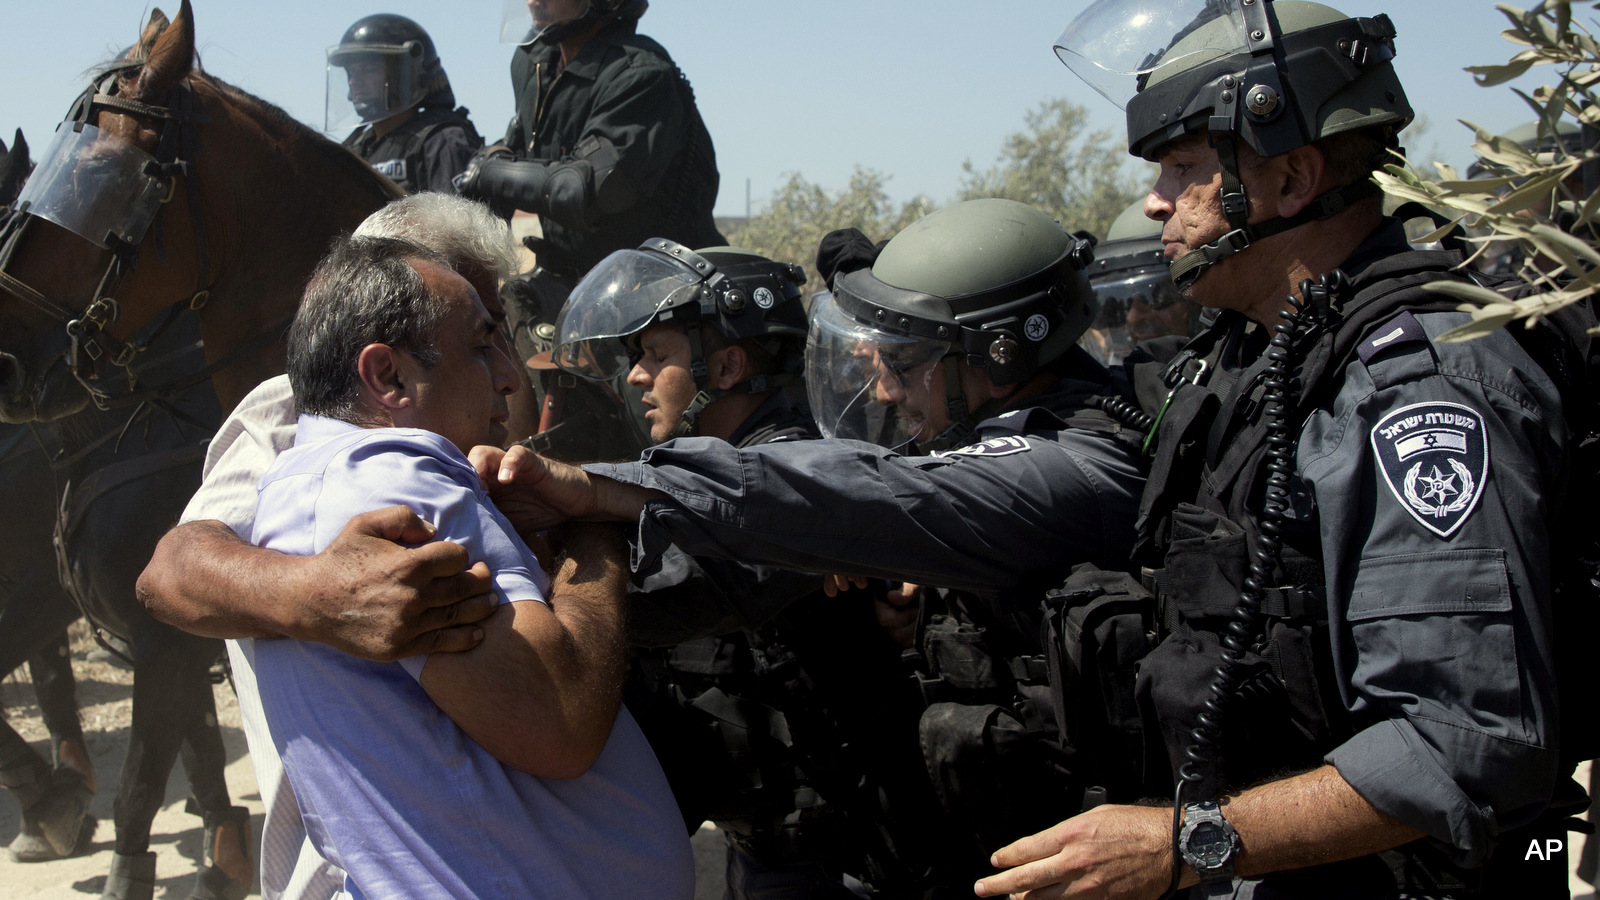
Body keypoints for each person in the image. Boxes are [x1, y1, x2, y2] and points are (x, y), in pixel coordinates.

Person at [968, 1, 1580, 896]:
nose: (1154, 201)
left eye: (1184, 168)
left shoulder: (1423, 387)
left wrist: (1189, 844)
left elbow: (1461, 745)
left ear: (1292, 179)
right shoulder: (1252, 353)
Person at [471, 198, 1150, 885]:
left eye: (908, 362)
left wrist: (602, 494)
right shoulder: (991, 439)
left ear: (997, 355)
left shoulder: (1081, 458)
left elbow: (862, 494)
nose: (885, 393)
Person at [247, 233, 690, 898]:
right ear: (388, 376)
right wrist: (591, 528)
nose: (510, 376)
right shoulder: (391, 476)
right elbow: (560, 718)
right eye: (482, 346)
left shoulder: (318, 475)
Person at [137, 194, 528, 900]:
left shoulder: (478, 401)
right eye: (475, 329)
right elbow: (172, 572)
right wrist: (316, 594)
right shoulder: (292, 412)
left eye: (496, 327)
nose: (505, 367)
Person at [551, 241, 939, 896]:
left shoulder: (790, 476)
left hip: (850, 858)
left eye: (657, 355)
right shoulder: (704, 468)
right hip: (770, 838)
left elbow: (685, 591)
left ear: (727, 365)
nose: (637, 377)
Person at [456, 0, 726, 461]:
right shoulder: (533, 63)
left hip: (657, 291)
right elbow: (520, 149)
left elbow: (584, 189)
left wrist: (489, 171)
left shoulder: (640, 73)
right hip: (569, 280)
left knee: (651, 432)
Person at [327, 14, 482, 194]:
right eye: (352, 72)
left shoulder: (441, 142)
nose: (354, 81)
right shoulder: (359, 148)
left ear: (405, 75)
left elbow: (457, 221)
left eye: (369, 70)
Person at [1080, 199, 1201, 366]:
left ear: (1194, 304)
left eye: (1155, 298)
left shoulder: (1236, 378)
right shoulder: (1121, 387)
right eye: (1124, 302)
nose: (1133, 317)